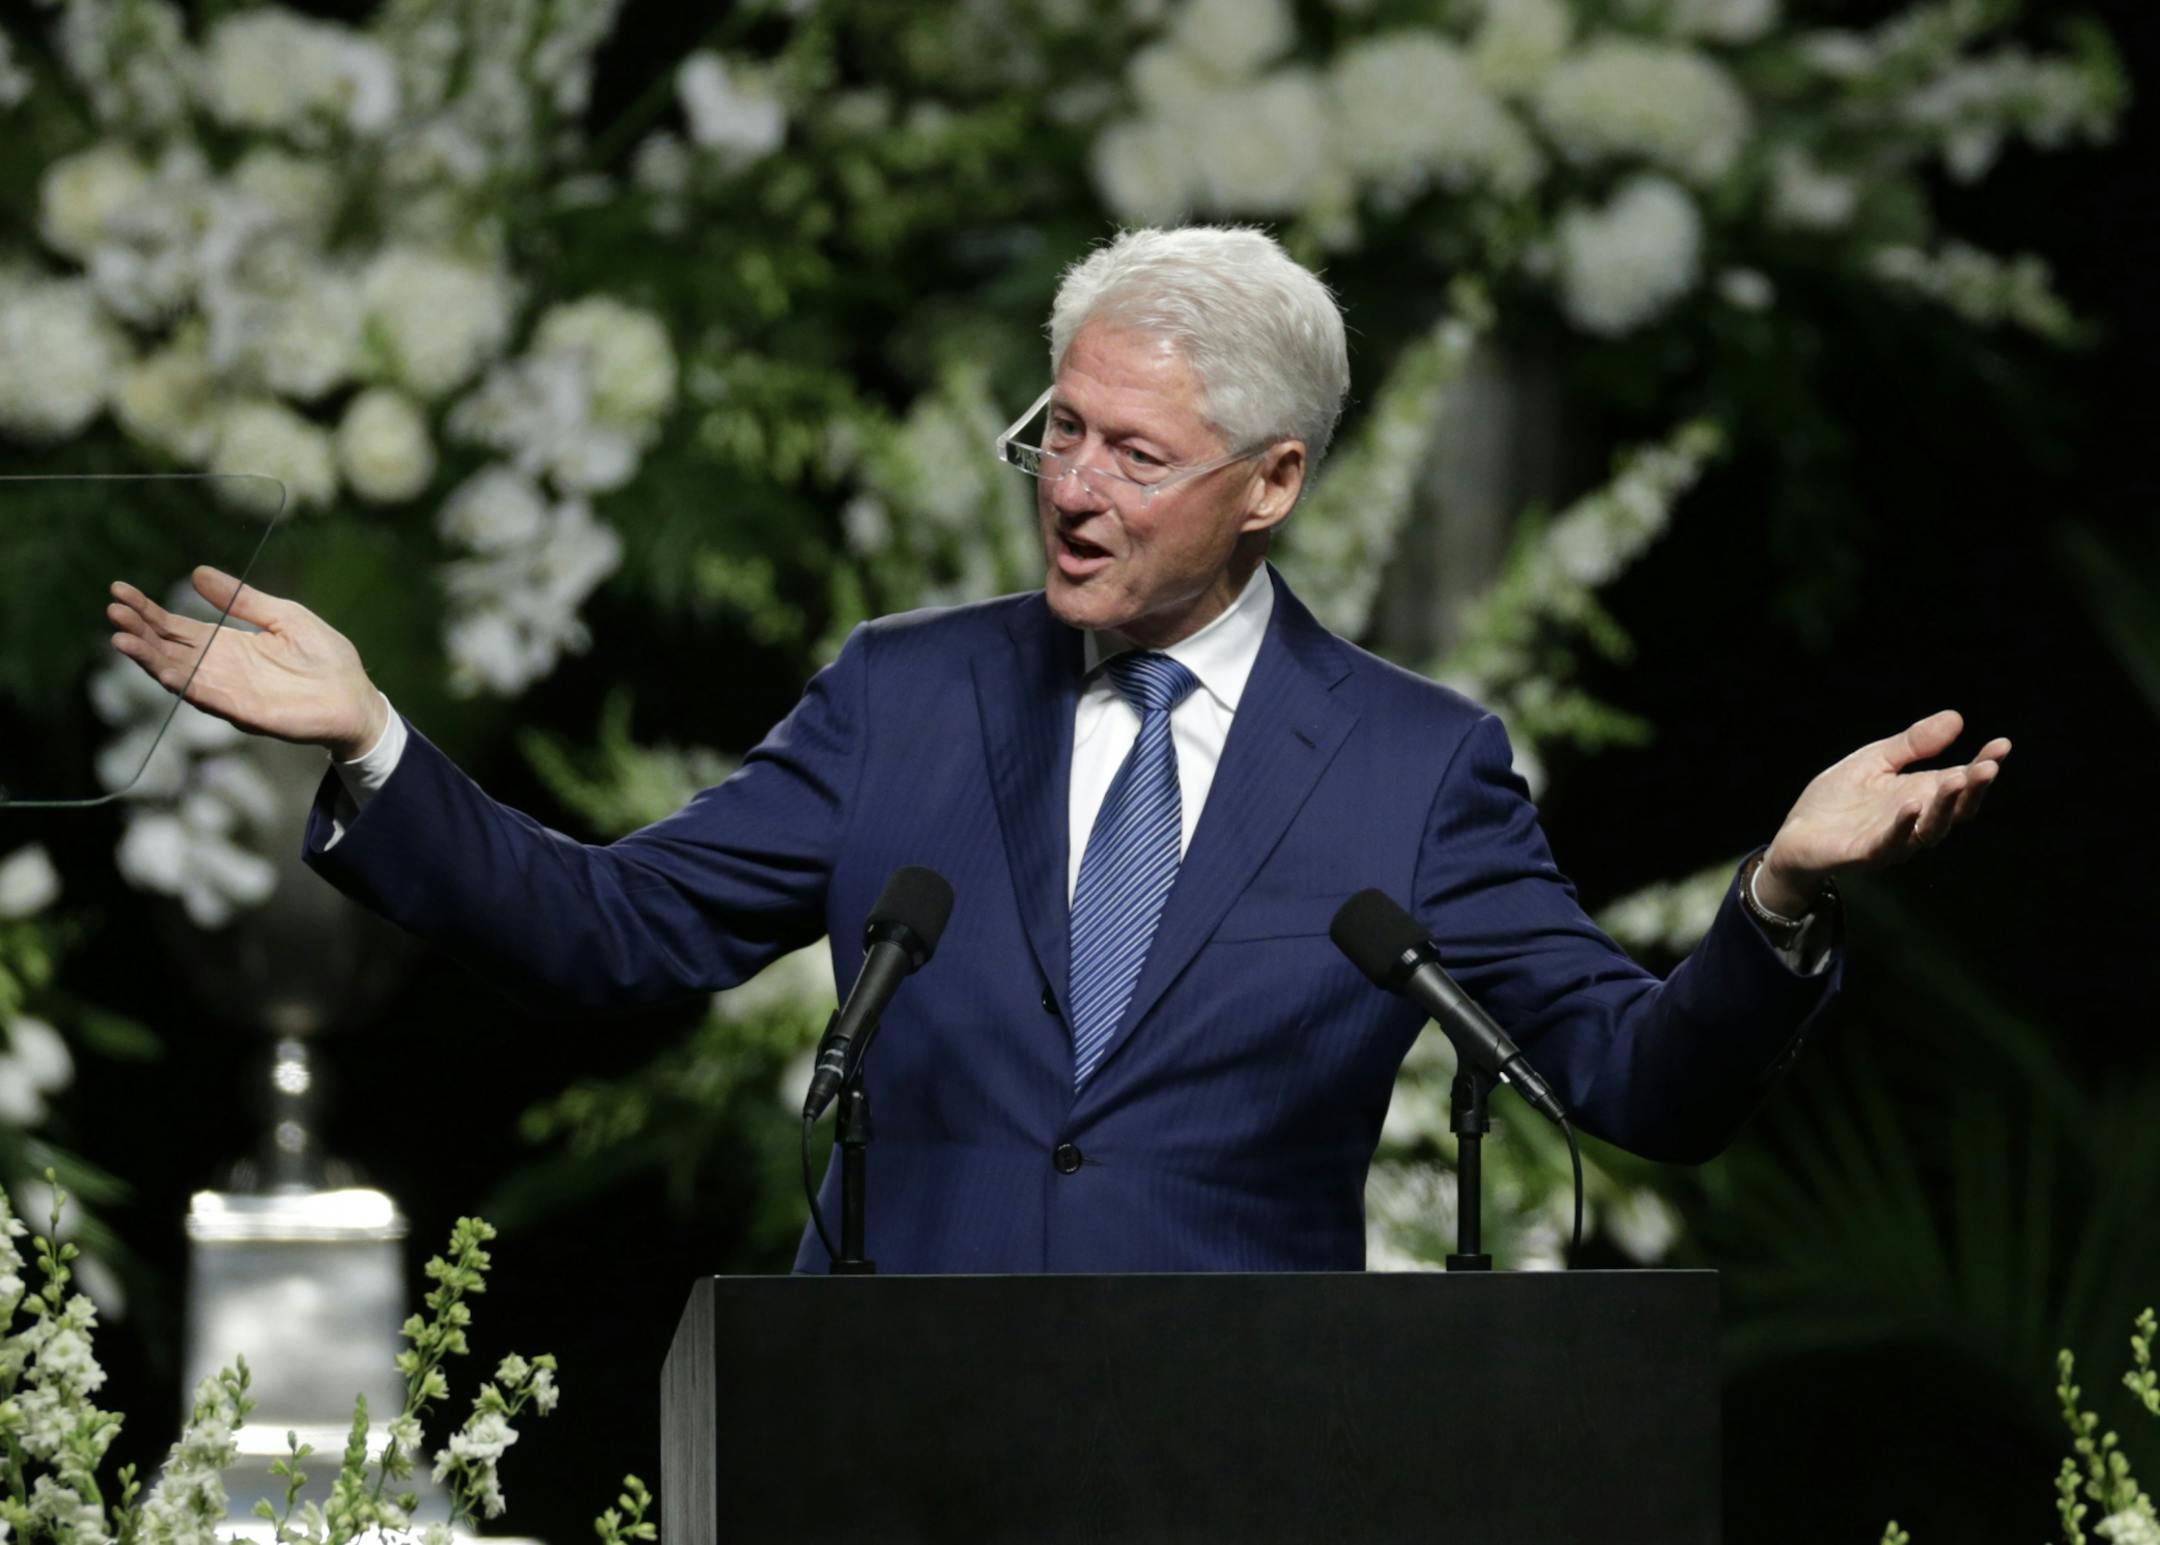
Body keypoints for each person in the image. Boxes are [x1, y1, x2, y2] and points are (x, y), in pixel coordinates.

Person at [107, 226, 2009, 1273]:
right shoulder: (904, 695)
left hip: (1239, 1475)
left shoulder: (1414, 768)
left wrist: (1771, 901)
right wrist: (375, 740)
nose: (1074, 494)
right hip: (882, 1454)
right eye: (1060, 432)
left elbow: (1630, 1077)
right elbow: (621, 929)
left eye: (1137, 456)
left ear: (1274, 483)